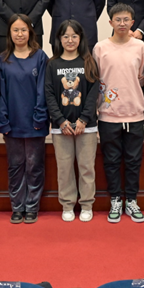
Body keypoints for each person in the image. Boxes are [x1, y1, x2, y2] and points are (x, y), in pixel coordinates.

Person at [93, 3, 144, 223]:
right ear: (110, 22)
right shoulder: (100, 48)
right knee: (112, 160)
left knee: (134, 161)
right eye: (118, 19)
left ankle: (131, 200)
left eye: (126, 20)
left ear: (132, 22)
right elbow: (96, 79)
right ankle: (115, 199)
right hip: (108, 114)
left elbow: (142, 78)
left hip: (134, 113)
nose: (122, 23)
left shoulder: (140, 46)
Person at [0, 14, 49, 224]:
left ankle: (32, 207)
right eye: (15, 30)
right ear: (9, 33)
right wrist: (3, 119)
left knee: (34, 165)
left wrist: (39, 116)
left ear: (30, 32)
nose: (20, 34)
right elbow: (0, 92)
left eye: (23, 30)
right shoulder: (2, 59)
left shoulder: (40, 57)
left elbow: (43, 89)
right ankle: (17, 207)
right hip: (12, 122)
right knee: (15, 165)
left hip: (35, 121)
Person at [45, 20, 99, 223]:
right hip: (61, 128)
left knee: (86, 167)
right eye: (65, 36)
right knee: (64, 168)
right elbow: (49, 94)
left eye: (74, 36)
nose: (70, 40)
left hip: (87, 126)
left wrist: (84, 119)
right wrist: (60, 121)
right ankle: (67, 204)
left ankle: (86, 204)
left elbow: (93, 93)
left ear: (80, 38)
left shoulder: (88, 61)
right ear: (59, 39)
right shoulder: (53, 64)